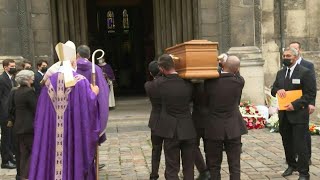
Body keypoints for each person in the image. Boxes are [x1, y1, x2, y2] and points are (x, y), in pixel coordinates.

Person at [28, 57, 101, 179]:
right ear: (73, 63)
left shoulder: (48, 82)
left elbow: (41, 113)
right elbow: (88, 107)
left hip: (51, 132)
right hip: (73, 132)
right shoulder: (81, 81)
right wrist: (94, 93)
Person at [271, 47, 316, 180]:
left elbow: (310, 93)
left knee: (300, 144)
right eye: (284, 55)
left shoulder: (305, 72)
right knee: (287, 142)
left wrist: (295, 105)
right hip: (284, 114)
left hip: (298, 115)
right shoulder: (280, 73)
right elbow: (273, 88)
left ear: (295, 57)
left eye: (288, 56)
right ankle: (291, 165)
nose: (285, 58)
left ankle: (304, 173)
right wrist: (278, 90)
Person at [154, 54, 196, 180]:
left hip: (170, 130)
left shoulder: (159, 84)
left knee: (172, 167)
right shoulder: (188, 84)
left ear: (161, 69)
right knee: (189, 166)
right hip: (188, 128)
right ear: (175, 65)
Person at [204, 56, 246, 180]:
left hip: (214, 127)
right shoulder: (239, 82)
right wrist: (226, 65)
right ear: (237, 69)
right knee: (234, 164)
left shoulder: (210, 82)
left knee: (214, 164)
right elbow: (236, 73)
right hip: (233, 127)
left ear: (222, 66)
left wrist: (220, 64)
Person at [289, 41, 316, 165]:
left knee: (304, 132)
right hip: (290, 105)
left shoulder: (308, 65)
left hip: (304, 104)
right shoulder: (287, 65)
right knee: (292, 132)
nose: (293, 50)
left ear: (300, 50)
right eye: (291, 49)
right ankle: (294, 155)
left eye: (296, 48)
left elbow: (312, 87)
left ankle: (307, 156)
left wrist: (311, 103)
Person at [8, 70, 36, 180]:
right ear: (27, 79)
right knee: (32, 151)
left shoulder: (16, 91)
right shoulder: (29, 91)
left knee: (22, 152)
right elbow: (35, 108)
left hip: (19, 126)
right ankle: (26, 175)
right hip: (28, 126)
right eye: (31, 77)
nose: (33, 79)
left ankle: (22, 175)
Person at [144, 60, 164, 180]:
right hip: (168, 120)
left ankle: (154, 174)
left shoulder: (148, 85)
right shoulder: (168, 84)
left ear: (151, 73)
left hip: (155, 120)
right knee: (171, 150)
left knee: (156, 149)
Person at [0, 59, 17, 169]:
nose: (13, 68)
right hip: (4, 113)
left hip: (11, 112)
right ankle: (5, 161)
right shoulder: (2, 79)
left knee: (10, 137)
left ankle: (10, 157)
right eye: (11, 66)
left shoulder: (12, 79)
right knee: (5, 138)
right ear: (5, 67)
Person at [192, 82, 211, 180]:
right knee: (210, 147)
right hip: (211, 119)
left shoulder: (194, 85)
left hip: (197, 119)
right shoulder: (215, 84)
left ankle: (204, 171)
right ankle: (210, 171)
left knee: (192, 145)